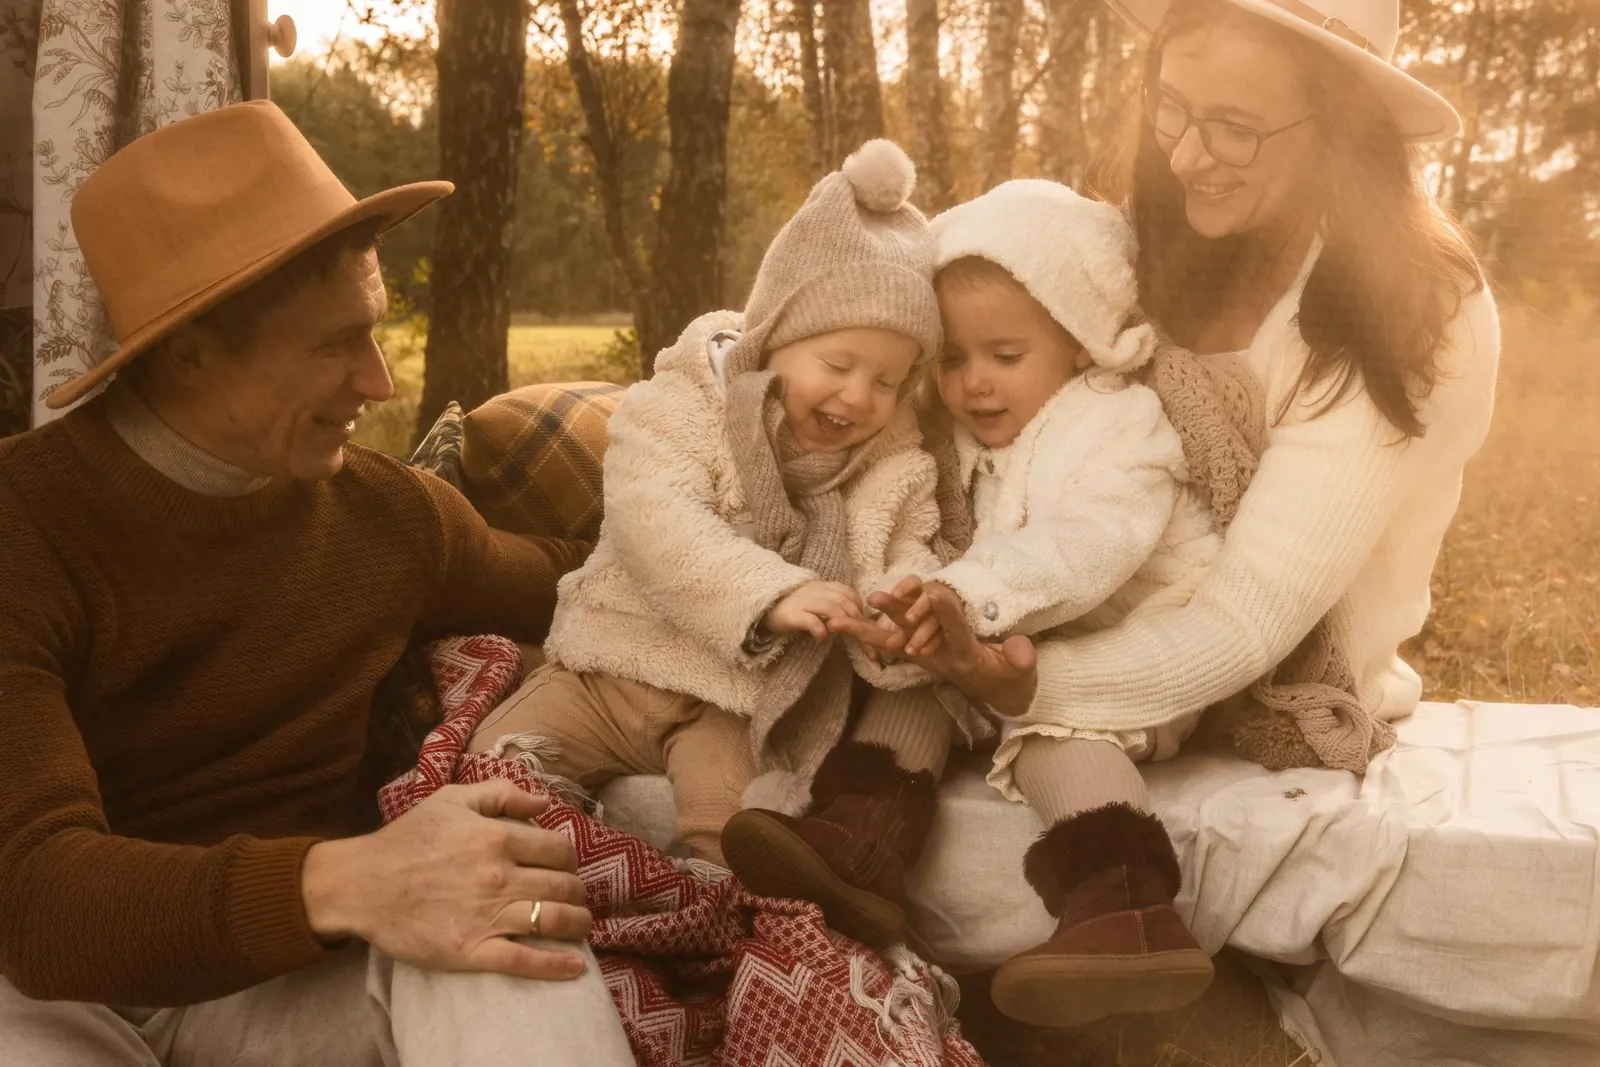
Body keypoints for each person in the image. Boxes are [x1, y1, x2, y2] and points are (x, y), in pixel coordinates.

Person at [839, 0, 1500, 1028]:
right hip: (1081, 592)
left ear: (1341, 130)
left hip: (1271, 669)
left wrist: (1018, 677)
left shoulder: (1417, 306)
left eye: (1235, 126)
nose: (1189, 154)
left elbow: (1244, 620)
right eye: (1171, 108)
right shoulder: (1145, 241)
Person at [0, 102, 636, 1066]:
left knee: (518, 930)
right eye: (335, 343)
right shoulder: (21, 525)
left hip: (284, 989)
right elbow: (37, 898)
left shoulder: (391, 516)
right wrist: (349, 882)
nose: (378, 382)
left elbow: (581, 587)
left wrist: (759, 543)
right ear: (191, 350)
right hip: (46, 999)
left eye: (375, 333)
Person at [722, 183, 1254, 1013]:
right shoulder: (968, 435)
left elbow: (1086, 546)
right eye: (954, 359)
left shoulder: (1121, 426)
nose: (974, 384)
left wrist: (967, 597)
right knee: (923, 685)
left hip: (1134, 650)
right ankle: (861, 840)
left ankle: (1126, 905)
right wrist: (909, 609)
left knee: (1048, 727)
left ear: (1081, 342)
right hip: (1011, 633)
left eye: (1005, 356)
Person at [467, 140, 955, 891]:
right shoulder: (683, 402)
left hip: (736, 704)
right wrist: (774, 592)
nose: (860, 397)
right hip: (610, 664)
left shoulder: (890, 459)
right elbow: (655, 521)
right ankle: (522, 880)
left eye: (888, 380)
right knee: (494, 770)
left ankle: (694, 926)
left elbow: (903, 544)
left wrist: (899, 609)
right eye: (837, 365)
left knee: (739, 841)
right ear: (774, 340)